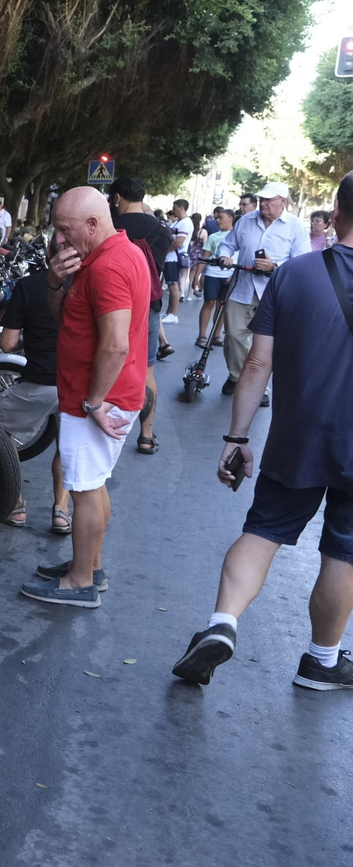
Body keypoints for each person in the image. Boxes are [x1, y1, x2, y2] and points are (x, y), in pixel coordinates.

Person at [172, 171, 353, 690]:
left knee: (263, 532)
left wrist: (236, 438)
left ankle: (222, 624)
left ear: (334, 215)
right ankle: (322, 659)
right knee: (343, 550)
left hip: (298, 437)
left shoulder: (293, 275)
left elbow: (256, 365)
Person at [20, 187, 148, 608]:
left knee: (85, 490)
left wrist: (93, 401)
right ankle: (88, 566)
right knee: (94, 485)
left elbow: (114, 346)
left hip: (95, 400)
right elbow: (70, 320)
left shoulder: (107, 266)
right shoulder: (111, 256)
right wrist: (56, 282)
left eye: (65, 229)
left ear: (92, 224)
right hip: (102, 396)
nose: (59, 238)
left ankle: (79, 582)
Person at [215, 182, 310, 401]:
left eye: (269, 200)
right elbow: (229, 244)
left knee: (268, 344)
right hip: (243, 288)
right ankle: (238, 377)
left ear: (282, 202)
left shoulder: (295, 226)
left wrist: (274, 267)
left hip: (275, 292)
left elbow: (302, 262)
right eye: (262, 199)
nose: (264, 204)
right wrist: (226, 256)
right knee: (233, 336)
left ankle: (259, 387)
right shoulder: (246, 220)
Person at [0, 265, 69, 534]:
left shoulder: (27, 286)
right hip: (78, 385)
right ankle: (61, 512)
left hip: (40, 381)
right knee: (68, 447)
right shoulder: (89, 282)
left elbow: (7, 344)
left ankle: (16, 504)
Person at [107, 176, 170, 456]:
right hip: (148, 305)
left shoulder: (109, 227)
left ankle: (104, 424)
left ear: (117, 197)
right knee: (147, 370)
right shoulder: (162, 230)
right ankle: (145, 435)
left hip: (109, 305)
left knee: (108, 360)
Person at [196, 208, 234, 346]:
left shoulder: (238, 236)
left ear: (230, 218)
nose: (217, 221)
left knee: (222, 305)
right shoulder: (213, 237)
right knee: (209, 302)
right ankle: (202, 335)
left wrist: (235, 275)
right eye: (216, 218)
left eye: (220, 218)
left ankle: (216, 335)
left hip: (229, 274)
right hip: (213, 273)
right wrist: (197, 275)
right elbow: (204, 258)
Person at [159, 199, 190, 325]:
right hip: (171, 258)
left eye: (175, 207)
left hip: (173, 258)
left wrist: (165, 251)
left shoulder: (185, 223)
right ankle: (169, 312)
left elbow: (178, 242)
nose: (173, 210)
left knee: (173, 286)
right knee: (172, 285)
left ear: (181, 208)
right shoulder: (180, 222)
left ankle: (173, 313)